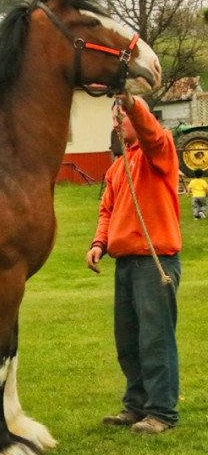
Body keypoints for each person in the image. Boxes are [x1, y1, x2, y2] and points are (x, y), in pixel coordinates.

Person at [86, 90, 182, 434]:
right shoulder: (116, 168)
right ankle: (136, 407)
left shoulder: (160, 150)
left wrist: (130, 101)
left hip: (155, 264)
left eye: (120, 115)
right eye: (115, 115)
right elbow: (106, 210)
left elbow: (150, 130)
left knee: (156, 339)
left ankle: (162, 413)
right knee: (128, 340)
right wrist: (99, 243)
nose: (116, 121)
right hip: (125, 264)